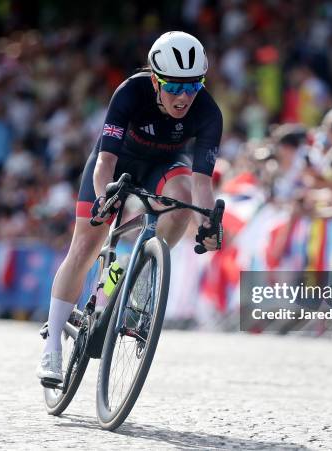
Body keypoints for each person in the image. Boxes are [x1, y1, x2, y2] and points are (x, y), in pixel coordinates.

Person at [37, 31, 224, 383]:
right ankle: (52, 349)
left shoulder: (209, 112)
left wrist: (208, 224)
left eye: (193, 86)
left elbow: (201, 183)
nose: (183, 97)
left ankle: (139, 277)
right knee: (85, 246)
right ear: (155, 80)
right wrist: (104, 196)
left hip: (163, 167)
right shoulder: (130, 92)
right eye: (173, 87)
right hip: (117, 165)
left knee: (181, 202)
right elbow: (105, 160)